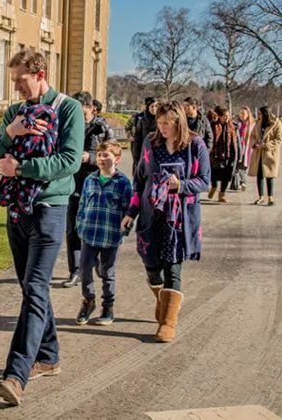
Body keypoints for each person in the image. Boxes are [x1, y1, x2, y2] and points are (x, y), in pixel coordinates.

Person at [0, 48, 83, 406]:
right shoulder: (14, 113)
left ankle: (16, 375)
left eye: (21, 80)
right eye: (13, 80)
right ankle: (49, 355)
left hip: (49, 208)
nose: (16, 88)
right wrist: (9, 133)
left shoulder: (68, 108)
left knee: (34, 286)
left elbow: (69, 161)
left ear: (40, 73)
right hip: (16, 209)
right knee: (33, 289)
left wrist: (24, 169)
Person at [122, 101, 210, 343]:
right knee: (151, 266)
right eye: (159, 123)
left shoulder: (196, 144)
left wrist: (181, 185)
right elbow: (140, 178)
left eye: (166, 124)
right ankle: (163, 300)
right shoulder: (151, 142)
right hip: (152, 214)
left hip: (179, 217)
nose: (161, 128)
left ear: (178, 122)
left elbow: (205, 181)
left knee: (173, 267)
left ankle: (168, 323)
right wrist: (131, 211)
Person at [75, 140, 132, 326]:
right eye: (99, 155)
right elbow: (82, 204)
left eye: (106, 155)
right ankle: (88, 300)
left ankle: (108, 306)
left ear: (116, 159)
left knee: (107, 272)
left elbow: (128, 210)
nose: (101, 159)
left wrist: (124, 230)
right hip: (89, 233)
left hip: (111, 235)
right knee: (84, 269)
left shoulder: (123, 183)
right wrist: (80, 224)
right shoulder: (90, 180)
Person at [61, 91, 111, 288]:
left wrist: (90, 157)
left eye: (82, 111)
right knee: (72, 229)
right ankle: (75, 271)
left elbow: (112, 153)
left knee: (92, 228)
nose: (78, 114)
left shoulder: (102, 128)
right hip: (72, 183)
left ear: (91, 108)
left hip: (94, 185)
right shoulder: (69, 125)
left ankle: (95, 260)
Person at [249, 105, 282, 206]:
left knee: (269, 175)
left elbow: (279, 139)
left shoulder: (276, 124)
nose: (258, 116)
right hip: (258, 154)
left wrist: (266, 145)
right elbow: (252, 136)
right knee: (259, 174)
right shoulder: (258, 123)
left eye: (260, 114)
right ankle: (260, 197)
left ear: (265, 114)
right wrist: (254, 144)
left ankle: (271, 197)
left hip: (269, 154)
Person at [208, 105, 238, 203]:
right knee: (214, 173)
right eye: (224, 116)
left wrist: (237, 154)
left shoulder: (232, 126)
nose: (226, 118)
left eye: (227, 116)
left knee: (226, 175)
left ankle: (222, 194)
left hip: (228, 154)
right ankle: (214, 186)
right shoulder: (213, 125)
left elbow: (235, 142)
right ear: (220, 116)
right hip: (215, 153)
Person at [127, 97, 156, 167]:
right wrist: (130, 136)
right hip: (141, 146)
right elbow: (127, 127)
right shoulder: (138, 117)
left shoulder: (159, 119)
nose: (154, 108)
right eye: (151, 106)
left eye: (156, 106)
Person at [232, 106, 255, 192]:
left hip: (247, 148)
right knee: (237, 166)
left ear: (248, 114)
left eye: (243, 113)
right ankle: (238, 183)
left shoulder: (252, 125)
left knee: (242, 166)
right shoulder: (236, 123)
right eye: (240, 113)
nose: (241, 115)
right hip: (238, 147)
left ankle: (243, 182)